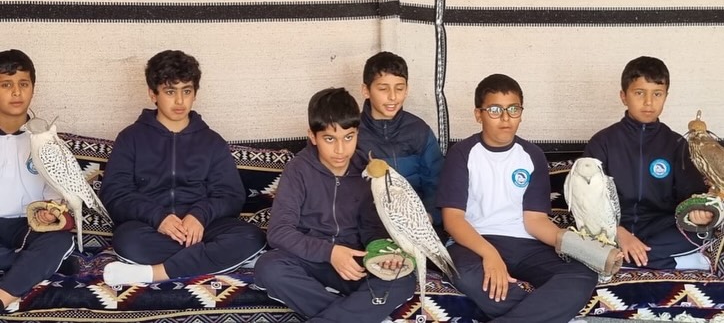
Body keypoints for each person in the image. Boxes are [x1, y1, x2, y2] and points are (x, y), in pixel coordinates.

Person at [437, 74, 597, 322]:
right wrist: (490, 255)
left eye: (513, 109)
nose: (505, 117)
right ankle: (552, 314)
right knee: (464, 274)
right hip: (475, 242)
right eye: (495, 110)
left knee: (582, 275)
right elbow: (453, 220)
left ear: (521, 113)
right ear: (478, 114)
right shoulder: (462, 154)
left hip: (525, 244)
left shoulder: (532, 155)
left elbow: (535, 220)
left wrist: (579, 245)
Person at [100, 50, 266, 286]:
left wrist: (199, 215)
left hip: (203, 228)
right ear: (153, 94)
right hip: (150, 229)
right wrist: (158, 218)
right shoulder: (130, 138)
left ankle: (154, 273)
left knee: (251, 237)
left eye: (186, 91)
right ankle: (217, 259)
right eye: (170, 92)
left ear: (195, 94)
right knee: (128, 241)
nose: (180, 101)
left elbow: (231, 195)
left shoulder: (212, 142)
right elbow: (115, 193)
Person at [255, 87, 415, 323]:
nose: (341, 150)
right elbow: (279, 232)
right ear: (313, 136)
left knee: (403, 278)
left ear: (357, 133)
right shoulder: (298, 170)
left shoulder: (368, 171)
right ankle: (355, 315)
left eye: (348, 137)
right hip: (311, 258)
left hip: (355, 258)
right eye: (330, 139)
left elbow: (373, 229)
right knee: (269, 267)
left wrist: (384, 253)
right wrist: (329, 252)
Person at [583, 56, 712, 270]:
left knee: (701, 233)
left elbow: (693, 196)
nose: (649, 102)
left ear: (666, 96)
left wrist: (697, 213)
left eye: (657, 94)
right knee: (580, 240)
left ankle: (621, 260)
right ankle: (673, 261)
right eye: (639, 93)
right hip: (612, 229)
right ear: (624, 96)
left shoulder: (676, 144)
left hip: (661, 227)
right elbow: (587, 201)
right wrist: (619, 232)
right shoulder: (602, 142)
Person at [0, 49, 75, 313]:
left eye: (23, 84)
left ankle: (3, 296)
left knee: (60, 242)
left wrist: (50, 212)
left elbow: (57, 195)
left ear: (33, 88)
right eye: (6, 85)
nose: (16, 92)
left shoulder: (47, 141)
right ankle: (30, 265)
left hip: (28, 227)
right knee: (59, 258)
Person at [357, 51, 443, 226]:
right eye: (383, 89)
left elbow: (437, 183)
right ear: (366, 90)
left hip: (418, 223)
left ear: (407, 89)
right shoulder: (352, 133)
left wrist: (428, 217)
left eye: (399, 88)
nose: (393, 97)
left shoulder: (419, 131)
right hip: (369, 228)